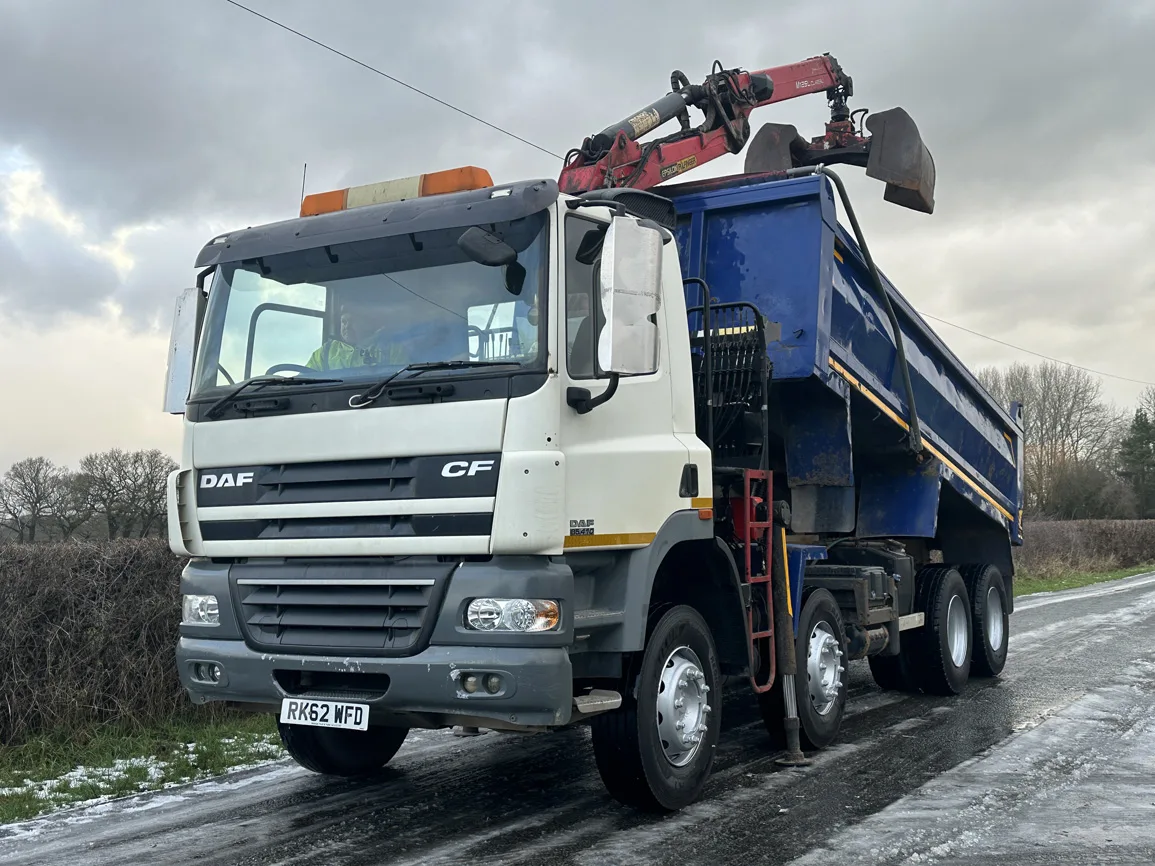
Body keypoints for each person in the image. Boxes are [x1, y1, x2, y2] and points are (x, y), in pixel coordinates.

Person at [305, 297, 404, 371]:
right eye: (344, 322)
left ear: (367, 323)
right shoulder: (325, 352)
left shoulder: (392, 350)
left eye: (352, 321)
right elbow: (305, 381)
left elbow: (403, 379)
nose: (347, 326)